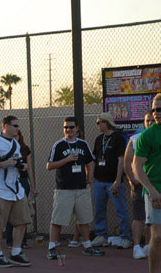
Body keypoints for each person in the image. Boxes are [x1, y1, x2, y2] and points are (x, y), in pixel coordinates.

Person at [45, 117, 104, 260]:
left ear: (77, 129)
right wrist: (67, 159)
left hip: (81, 189)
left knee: (84, 220)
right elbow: (49, 166)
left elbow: (90, 163)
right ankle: (52, 247)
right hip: (64, 189)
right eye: (66, 128)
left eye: (71, 127)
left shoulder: (83, 144)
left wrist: (89, 181)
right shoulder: (59, 145)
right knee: (58, 220)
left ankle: (87, 246)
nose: (68, 130)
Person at [0, 116, 32, 267]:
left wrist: (20, 166)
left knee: (22, 220)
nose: (18, 128)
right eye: (15, 126)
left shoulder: (15, 143)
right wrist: (5, 163)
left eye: (18, 126)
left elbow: (15, 163)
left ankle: (16, 252)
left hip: (15, 189)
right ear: (6, 126)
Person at [132, 94, 161, 273]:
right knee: (157, 237)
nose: (157, 113)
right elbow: (136, 166)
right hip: (155, 191)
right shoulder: (147, 135)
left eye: (160, 109)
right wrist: (151, 190)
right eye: (155, 110)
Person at [91, 113, 132, 249]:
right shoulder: (99, 139)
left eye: (99, 122)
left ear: (106, 123)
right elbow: (94, 159)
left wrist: (118, 180)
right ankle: (101, 235)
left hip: (113, 182)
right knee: (99, 209)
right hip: (99, 181)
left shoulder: (118, 139)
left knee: (120, 210)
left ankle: (125, 237)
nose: (97, 125)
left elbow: (121, 160)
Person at [124, 110, 154, 260]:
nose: (150, 123)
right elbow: (127, 162)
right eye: (147, 120)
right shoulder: (135, 139)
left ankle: (149, 246)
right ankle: (136, 246)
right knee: (139, 216)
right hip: (139, 185)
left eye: (152, 120)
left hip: (155, 185)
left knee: (152, 219)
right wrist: (131, 179)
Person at [4, 130, 36, 248]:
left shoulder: (24, 149)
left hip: (22, 183)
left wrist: (32, 185)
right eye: (13, 136)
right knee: (10, 211)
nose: (15, 138)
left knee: (22, 212)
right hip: (10, 183)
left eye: (16, 136)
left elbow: (29, 169)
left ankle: (22, 241)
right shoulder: (5, 149)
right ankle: (10, 240)